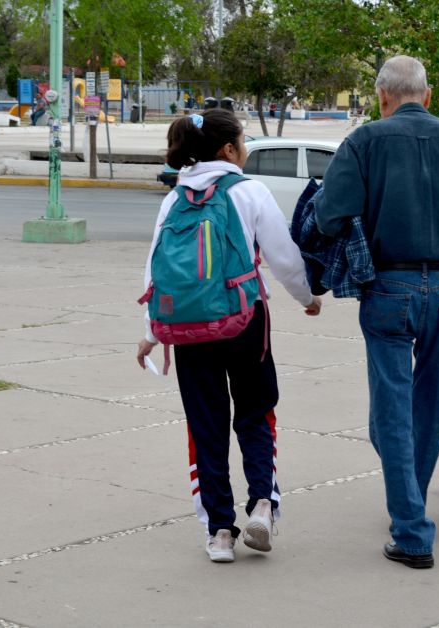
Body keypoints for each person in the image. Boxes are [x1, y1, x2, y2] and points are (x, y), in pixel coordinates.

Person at [315, 55, 439, 569]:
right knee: (426, 405)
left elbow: (329, 214)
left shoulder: (364, 140)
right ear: (427, 95)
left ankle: (412, 530)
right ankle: (409, 510)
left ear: (382, 95)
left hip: (389, 286)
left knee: (392, 411)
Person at [136, 110, 322, 563]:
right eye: (241, 139)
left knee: (206, 425)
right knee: (257, 413)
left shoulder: (176, 196)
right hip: (244, 320)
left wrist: (151, 332)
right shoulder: (249, 191)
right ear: (228, 149)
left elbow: (156, 265)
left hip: (187, 326)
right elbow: (283, 256)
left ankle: (220, 531)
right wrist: (307, 297)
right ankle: (262, 502)